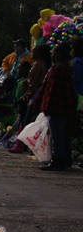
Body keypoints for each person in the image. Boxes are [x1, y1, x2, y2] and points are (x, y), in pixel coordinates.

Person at [34, 43, 77, 171]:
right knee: (63, 135)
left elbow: (52, 91)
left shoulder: (56, 71)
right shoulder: (67, 69)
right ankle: (65, 160)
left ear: (57, 55)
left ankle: (57, 161)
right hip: (66, 108)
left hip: (56, 108)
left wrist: (46, 108)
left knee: (56, 136)